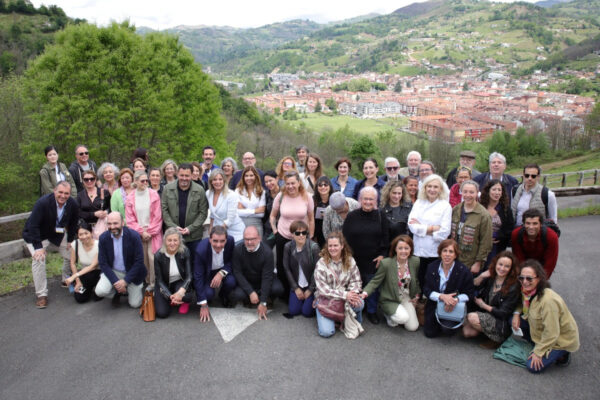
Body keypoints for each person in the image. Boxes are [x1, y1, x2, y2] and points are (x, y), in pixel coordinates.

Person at [512, 260, 579, 373]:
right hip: (541, 330)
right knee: (512, 321)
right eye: (521, 278)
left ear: (539, 278)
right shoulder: (528, 292)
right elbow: (522, 304)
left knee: (532, 367)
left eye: (529, 278)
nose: (524, 282)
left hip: (559, 340)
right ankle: (537, 345)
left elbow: (552, 333)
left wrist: (538, 352)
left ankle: (563, 354)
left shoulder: (548, 301)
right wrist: (516, 314)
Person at [22, 181, 79, 308]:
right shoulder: (42, 203)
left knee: (72, 252)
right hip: (36, 236)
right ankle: (41, 294)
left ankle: (66, 278)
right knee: (39, 259)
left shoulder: (72, 204)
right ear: (54, 191)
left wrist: (70, 240)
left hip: (56, 234)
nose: (63, 196)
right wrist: (38, 248)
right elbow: (33, 225)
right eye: (60, 192)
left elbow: (74, 223)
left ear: (70, 194)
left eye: (66, 193)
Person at [343, 186, 389, 324]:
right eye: (365, 199)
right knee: (355, 285)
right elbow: (344, 238)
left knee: (371, 287)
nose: (368, 201)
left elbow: (386, 238)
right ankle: (357, 308)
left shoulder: (381, 216)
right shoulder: (352, 216)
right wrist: (346, 256)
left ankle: (372, 311)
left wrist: (382, 255)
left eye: (371, 199)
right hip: (354, 259)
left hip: (373, 259)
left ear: (376, 201)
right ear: (360, 200)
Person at [270, 171, 315, 297]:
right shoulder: (281, 196)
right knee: (282, 265)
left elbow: (311, 219)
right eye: (287, 183)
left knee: (301, 265)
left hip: (301, 237)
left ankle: (301, 290)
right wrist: (275, 230)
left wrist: (310, 236)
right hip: (283, 236)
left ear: (299, 182)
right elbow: (273, 216)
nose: (290, 186)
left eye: (293, 183)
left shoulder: (307, 196)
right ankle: (285, 294)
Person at [361, 235, 420, 331]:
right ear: (395, 249)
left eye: (406, 248)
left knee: (412, 327)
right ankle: (388, 313)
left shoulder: (415, 261)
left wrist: (416, 295)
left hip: (405, 297)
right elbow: (375, 281)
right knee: (402, 318)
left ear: (411, 249)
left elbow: (415, 280)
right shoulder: (386, 263)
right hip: (390, 299)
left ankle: (399, 312)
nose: (403, 251)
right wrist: (364, 293)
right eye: (400, 248)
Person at [463, 251, 520, 346]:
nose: (502, 268)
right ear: (495, 264)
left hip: (500, 321)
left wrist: (483, 305)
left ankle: (498, 338)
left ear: (511, 269)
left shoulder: (513, 286)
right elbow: (473, 287)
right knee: (467, 332)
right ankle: (487, 332)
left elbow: (503, 313)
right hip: (487, 315)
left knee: (471, 317)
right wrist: (481, 276)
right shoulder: (491, 278)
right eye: (500, 264)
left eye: (507, 266)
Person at [314, 232, 364, 338]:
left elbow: (356, 281)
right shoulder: (321, 263)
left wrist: (353, 294)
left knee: (360, 303)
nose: (332, 248)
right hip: (327, 300)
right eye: (330, 246)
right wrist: (345, 295)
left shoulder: (350, 260)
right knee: (326, 332)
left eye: (335, 245)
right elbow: (323, 290)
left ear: (342, 246)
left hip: (344, 299)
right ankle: (333, 315)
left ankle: (340, 316)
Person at [422, 239, 475, 338]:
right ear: (440, 253)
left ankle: (455, 322)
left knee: (447, 330)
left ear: (455, 255)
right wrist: (442, 296)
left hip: (453, 307)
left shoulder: (464, 271)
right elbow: (426, 289)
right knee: (430, 333)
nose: (447, 254)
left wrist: (455, 300)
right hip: (435, 304)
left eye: (451, 252)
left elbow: (470, 293)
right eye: (444, 251)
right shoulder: (431, 267)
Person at [408, 174, 452, 292]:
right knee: (418, 280)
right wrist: (433, 228)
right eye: (429, 186)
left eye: (435, 187)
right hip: (418, 250)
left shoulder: (445, 206)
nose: (432, 190)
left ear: (440, 189)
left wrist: (422, 228)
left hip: (435, 252)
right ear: (425, 188)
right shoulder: (419, 203)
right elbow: (412, 226)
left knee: (433, 282)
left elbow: (444, 232)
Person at [230, 226, 284, 320]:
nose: (249, 242)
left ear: (259, 238)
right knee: (238, 294)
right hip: (248, 280)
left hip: (262, 279)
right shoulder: (237, 250)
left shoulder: (267, 252)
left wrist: (263, 302)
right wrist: (250, 292)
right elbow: (237, 272)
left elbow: (267, 277)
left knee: (278, 289)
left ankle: (267, 299)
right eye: (247, 239)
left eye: (253, 239)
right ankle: (249, 299)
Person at [95, 212, 147, 308]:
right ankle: (116, 292)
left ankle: (126, 289)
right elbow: (103, 263)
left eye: (115, 223)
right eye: (109, 224)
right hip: (114, 271)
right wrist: (116, 282)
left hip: (132, 272)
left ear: (123, 223)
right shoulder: (103, 238)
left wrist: (125, 281)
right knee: (100, 291)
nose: (112, 226)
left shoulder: (134, 236)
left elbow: (139, 261)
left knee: (135, 304)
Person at [161, 163, 209, 258]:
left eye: (187, 175)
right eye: (181, 175)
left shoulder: (200, 190)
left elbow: (203, 213)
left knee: (193, 263)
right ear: (177, 174)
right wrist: (174, 226)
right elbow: (164, 210)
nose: (184, 178)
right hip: (173, 236)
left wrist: (190, 228)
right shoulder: (167, 188)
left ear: (191, 175)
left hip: (194, 236)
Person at [125, 170, 163, 289]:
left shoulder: (153, 194)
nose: (145, 182)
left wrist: (149, 232)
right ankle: (146, 281)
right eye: (142, 180)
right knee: (142, 258)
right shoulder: (130, 197)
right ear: (135, 181)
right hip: (138, 232)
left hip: (153, 232)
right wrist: (141, 232)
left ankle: (155, 283)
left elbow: (158, 216)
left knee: (153, 258)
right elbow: (130, 219)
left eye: (147, 180)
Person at [193, 226, 237, 321]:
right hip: (208, 273)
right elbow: (198, 276)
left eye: (222, 241)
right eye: (215, 241)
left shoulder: (230, 241)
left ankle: (223, 295)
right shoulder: (201, 250)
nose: (218, 245)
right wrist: (203, 304)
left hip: (222, 269)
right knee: (208, 294)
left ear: (226, 239)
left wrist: (221, 273)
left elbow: (232, 260)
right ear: (210, 240)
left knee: (231, 282)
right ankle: (208, 297)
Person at [450, 180, 492, 275]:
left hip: (470, 261)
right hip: (454, 257)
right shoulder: (456, 209)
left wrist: (478, 263)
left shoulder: (483, 215)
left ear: (477, 193)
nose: (468, 195)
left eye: (471, 192)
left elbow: (486, 242)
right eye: (465, 192)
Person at [283, 220, 320, 317]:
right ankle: (301, 300)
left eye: (304, 233)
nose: (301, 235)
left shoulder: (314, 247)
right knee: (293, 311)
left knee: (307, 313)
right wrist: (295, 288)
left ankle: (310, 300)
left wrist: (311, 289)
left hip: (310, 285)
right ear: (292, 235)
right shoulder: (288, 247)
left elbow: (318, 270)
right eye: (297, 233)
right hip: (297, 284)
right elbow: (286, 268)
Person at [154, 228, 194, 318]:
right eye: (169, 240)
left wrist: (180, 292)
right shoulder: (158, 255)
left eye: (175, 240)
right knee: (162, 313)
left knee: (188, 296)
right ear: (164, 241)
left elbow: (189, 276)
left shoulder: (185, 251)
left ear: (179, 241)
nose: (172, 243)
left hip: (179, 282)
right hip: (164, 284)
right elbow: (159, 280)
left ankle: (181, 301)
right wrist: (170, 296)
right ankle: (173, 299)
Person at [511, 208, 559, 279]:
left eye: (535, 223)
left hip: (542, 264)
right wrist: (524, 278)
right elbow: (519, 259)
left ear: (541, 224)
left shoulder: (551, 237)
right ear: (523, 223)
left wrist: (541, 280)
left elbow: (550, 263)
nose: (531, 227)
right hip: (525, 263)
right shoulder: (516, 234)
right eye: (528, 223)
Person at [65, 221, 102, 303]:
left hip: (98, 273)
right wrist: (78, 281)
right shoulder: (76, 244)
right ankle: (84, 288)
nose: (84, 236)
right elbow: (73, 263)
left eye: (86, 233)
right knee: (80, 298)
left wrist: (74, 276)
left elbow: (93, 266)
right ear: (77, 235)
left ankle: (96, 289)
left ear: (91, 233)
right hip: (84, 274)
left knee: (97, 297)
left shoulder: (99, 245)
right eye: (80, 234)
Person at [480, 179, 514, 264]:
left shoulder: (506, 209)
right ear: (488, 191)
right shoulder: (481, 207)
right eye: (494, 189)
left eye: (499, 190)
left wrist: (498, 236)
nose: (497, 192)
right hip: (480, 245)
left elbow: (510, 228)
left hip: (498, 246)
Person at [207, 169, 245, 242]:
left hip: (234, 231)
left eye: (220, 179)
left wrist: (218, 234)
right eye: (214, 179)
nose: (217, 182)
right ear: (211, 181)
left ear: (224, 181)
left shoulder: (231, 195)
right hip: (217, 230)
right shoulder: (208, 193)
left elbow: (230, 219)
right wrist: (211, 230)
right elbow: (212, 215)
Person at [236, 166, 266, 238]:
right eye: (246, 176)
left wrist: (244, 210)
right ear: (243, 177)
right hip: (240, 224)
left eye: (251, 175)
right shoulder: (238, 191)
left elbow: (261, 214)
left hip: (256, 224)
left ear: (255, 176)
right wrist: (255, 210)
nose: (249, 178)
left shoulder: (261, 192)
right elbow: (237, 212)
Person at [313, 175, 333, 247]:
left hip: (332, 233)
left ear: (330, 186)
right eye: (320, 185)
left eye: (325, 184)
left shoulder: (334, 199)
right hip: (317, 233)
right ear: (317, 187)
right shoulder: (313, 200)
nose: (323, 187)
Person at [262, 170, 279, 245]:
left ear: (277, 179)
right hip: (269, 228)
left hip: (283, 227)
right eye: (266, 182)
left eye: (270, 180)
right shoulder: (265, 195)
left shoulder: (284, 193)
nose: (268, 184)